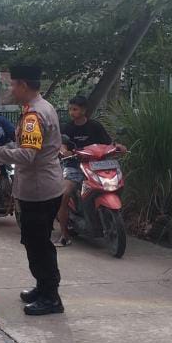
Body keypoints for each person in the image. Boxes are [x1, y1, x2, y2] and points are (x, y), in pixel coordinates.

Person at [0, 65, 65, 316]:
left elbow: (26, 156)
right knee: (34, 242)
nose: (10, 89)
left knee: (39, 244)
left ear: (23, 85)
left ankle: (51, 297)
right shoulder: (41, 107)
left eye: (12, 84)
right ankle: (43, 288)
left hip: (39, 189)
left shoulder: (33, 116)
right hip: (41, 186)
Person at [55, 95, 124, 246]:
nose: (72, 112)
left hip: (97, 166)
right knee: (64, 194)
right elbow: (62, 145)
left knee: (114, 185)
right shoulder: (67, 128)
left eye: (75, 109)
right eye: (70, 109)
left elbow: (108, 142)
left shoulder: (95, 126)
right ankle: (64, 235)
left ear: (84, 110)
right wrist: (64, 150)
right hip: (73, 165)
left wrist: (118, 146)